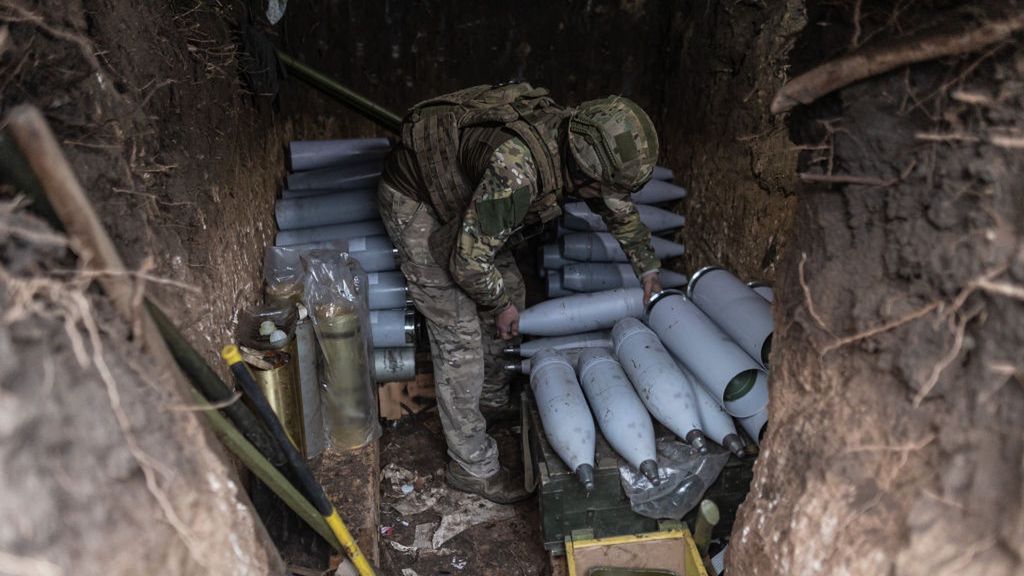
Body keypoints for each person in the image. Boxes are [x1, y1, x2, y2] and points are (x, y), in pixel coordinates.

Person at [377, 83, 663, 504]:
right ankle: (471, 465)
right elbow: (467, 264)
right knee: (459, 335)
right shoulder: (516, 172)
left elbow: (616, 207)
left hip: (466, 198)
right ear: (583, 175)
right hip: (417, 200)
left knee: (512, 289)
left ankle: (490, 401)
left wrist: (647, 267)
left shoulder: (574, 140)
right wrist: (499, 306)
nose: (605, 199)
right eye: (600, 189)